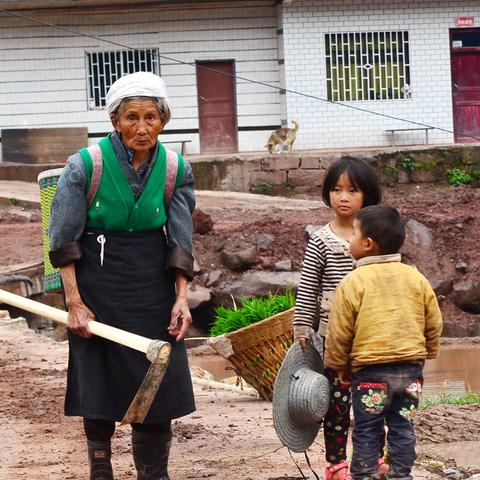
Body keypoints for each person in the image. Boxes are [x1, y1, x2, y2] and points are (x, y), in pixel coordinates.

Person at [48, 72, 196, 480]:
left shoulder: (176, 169)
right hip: (96, 284)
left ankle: (154, 472)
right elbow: (63, 241)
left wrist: (181, 298)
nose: (142, 127)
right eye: (132, 117)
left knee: (158, 376)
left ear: (163, 121)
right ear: (115, 121)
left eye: (151, 117)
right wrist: (74, 303)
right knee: (98, 378)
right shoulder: (84, 166)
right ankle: (101, 470)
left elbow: (181, 242)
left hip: (152, 285)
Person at [325, 205, 443, 480]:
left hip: (370, 373)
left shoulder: (353, 281)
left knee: (367, 426)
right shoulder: (415, 277)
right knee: (403, 424)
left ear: (367, 244)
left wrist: (337, 365)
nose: (349, 239)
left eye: (353, 233)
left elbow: (339, 330)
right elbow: (433, 320)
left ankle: (364, 475)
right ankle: (401, 475)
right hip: (411, 371)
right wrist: (429, 351)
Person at [293, 157, 385, 480]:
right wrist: (303, 327)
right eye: (336, 189)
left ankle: (374, 458)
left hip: (372, 336)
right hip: (334, 339)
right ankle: (336, 464)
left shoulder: (375, 239)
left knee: (373, 397)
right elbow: (308, 288)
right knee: (337, 403)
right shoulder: (321, 240)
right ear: (327, 194)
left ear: (368, 196)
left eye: (352, 190)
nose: (343, 197)